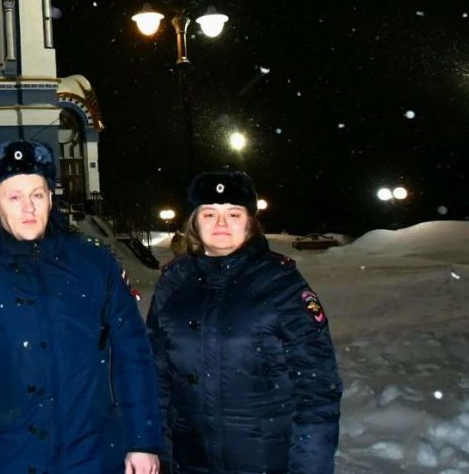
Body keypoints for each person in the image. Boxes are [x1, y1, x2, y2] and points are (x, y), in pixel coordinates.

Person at [0, 140, 161, 474]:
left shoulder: (94, 263)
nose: (29, 208)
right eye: (14, 197)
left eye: (37, 195)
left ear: (51, 198)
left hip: (90, 454)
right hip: (3, 457)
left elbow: (132, 352)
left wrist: (142, 440)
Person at [146, 172, 343, 474]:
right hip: (190, 461)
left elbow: (317, 386)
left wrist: (309, 467)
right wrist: (156, 450)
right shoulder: (174, 282)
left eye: (233, 214)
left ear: (250, 222)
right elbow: (155, 374)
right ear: (195, 222)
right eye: (210, 213)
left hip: (265, 460)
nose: (221, 223)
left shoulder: (281, 282)